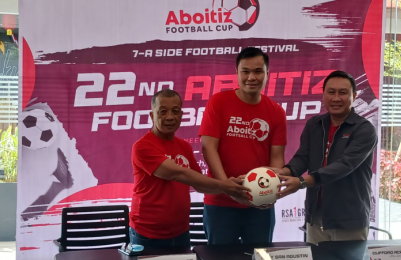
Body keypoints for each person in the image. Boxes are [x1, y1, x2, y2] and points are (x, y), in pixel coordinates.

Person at [129, 89, 250, 247]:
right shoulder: (143, 146)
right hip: (148, 235)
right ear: (152, 115)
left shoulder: (184, 146)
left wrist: (229, 185)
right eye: (163, 112)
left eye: (175, 111)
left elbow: (199, 185)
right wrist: (224, 185)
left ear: (181, 115)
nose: (170, 117)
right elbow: (177, 173)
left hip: (181, 232)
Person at [275, 70, 377, 244]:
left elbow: (345, 165)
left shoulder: (364, 129)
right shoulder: (314, 124)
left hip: (349, 219)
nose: (336, 98)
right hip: (316, 217)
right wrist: (283, 172)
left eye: (343, 93)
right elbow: (302, 157)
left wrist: (301, 182)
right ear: (323, 95)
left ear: (354, 95)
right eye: (331, 92)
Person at [199, 47, 287, 245]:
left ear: (267, 73)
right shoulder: (218, 102)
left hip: (260, 205)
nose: (251, 77)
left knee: (260, 256)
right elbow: (208, 148)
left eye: (258, 71)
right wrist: (227, 187)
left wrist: (270, 190)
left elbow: (277, 158)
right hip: (220, 203)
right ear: (237, 73)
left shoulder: (276, 112)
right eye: (245, 71)